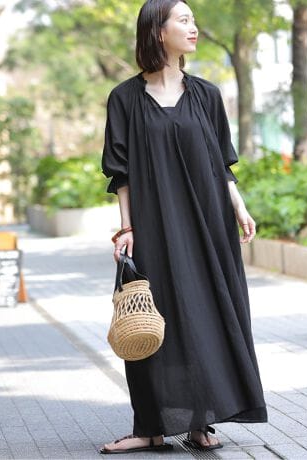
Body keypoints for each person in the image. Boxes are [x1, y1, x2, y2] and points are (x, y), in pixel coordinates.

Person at [99, 0, 268, 454]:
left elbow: (221, 162)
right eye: (185, 20)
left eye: (193, 20)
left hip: (207, 221)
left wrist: (239, 206)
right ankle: (150, 427)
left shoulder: (207, 95)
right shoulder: (125, 98)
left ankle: (200, 421)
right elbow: (121, 173)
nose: (194, 27)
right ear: (159, 30)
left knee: (206, 311)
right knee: (153, 316)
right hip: (152, 222)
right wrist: (126, 228)